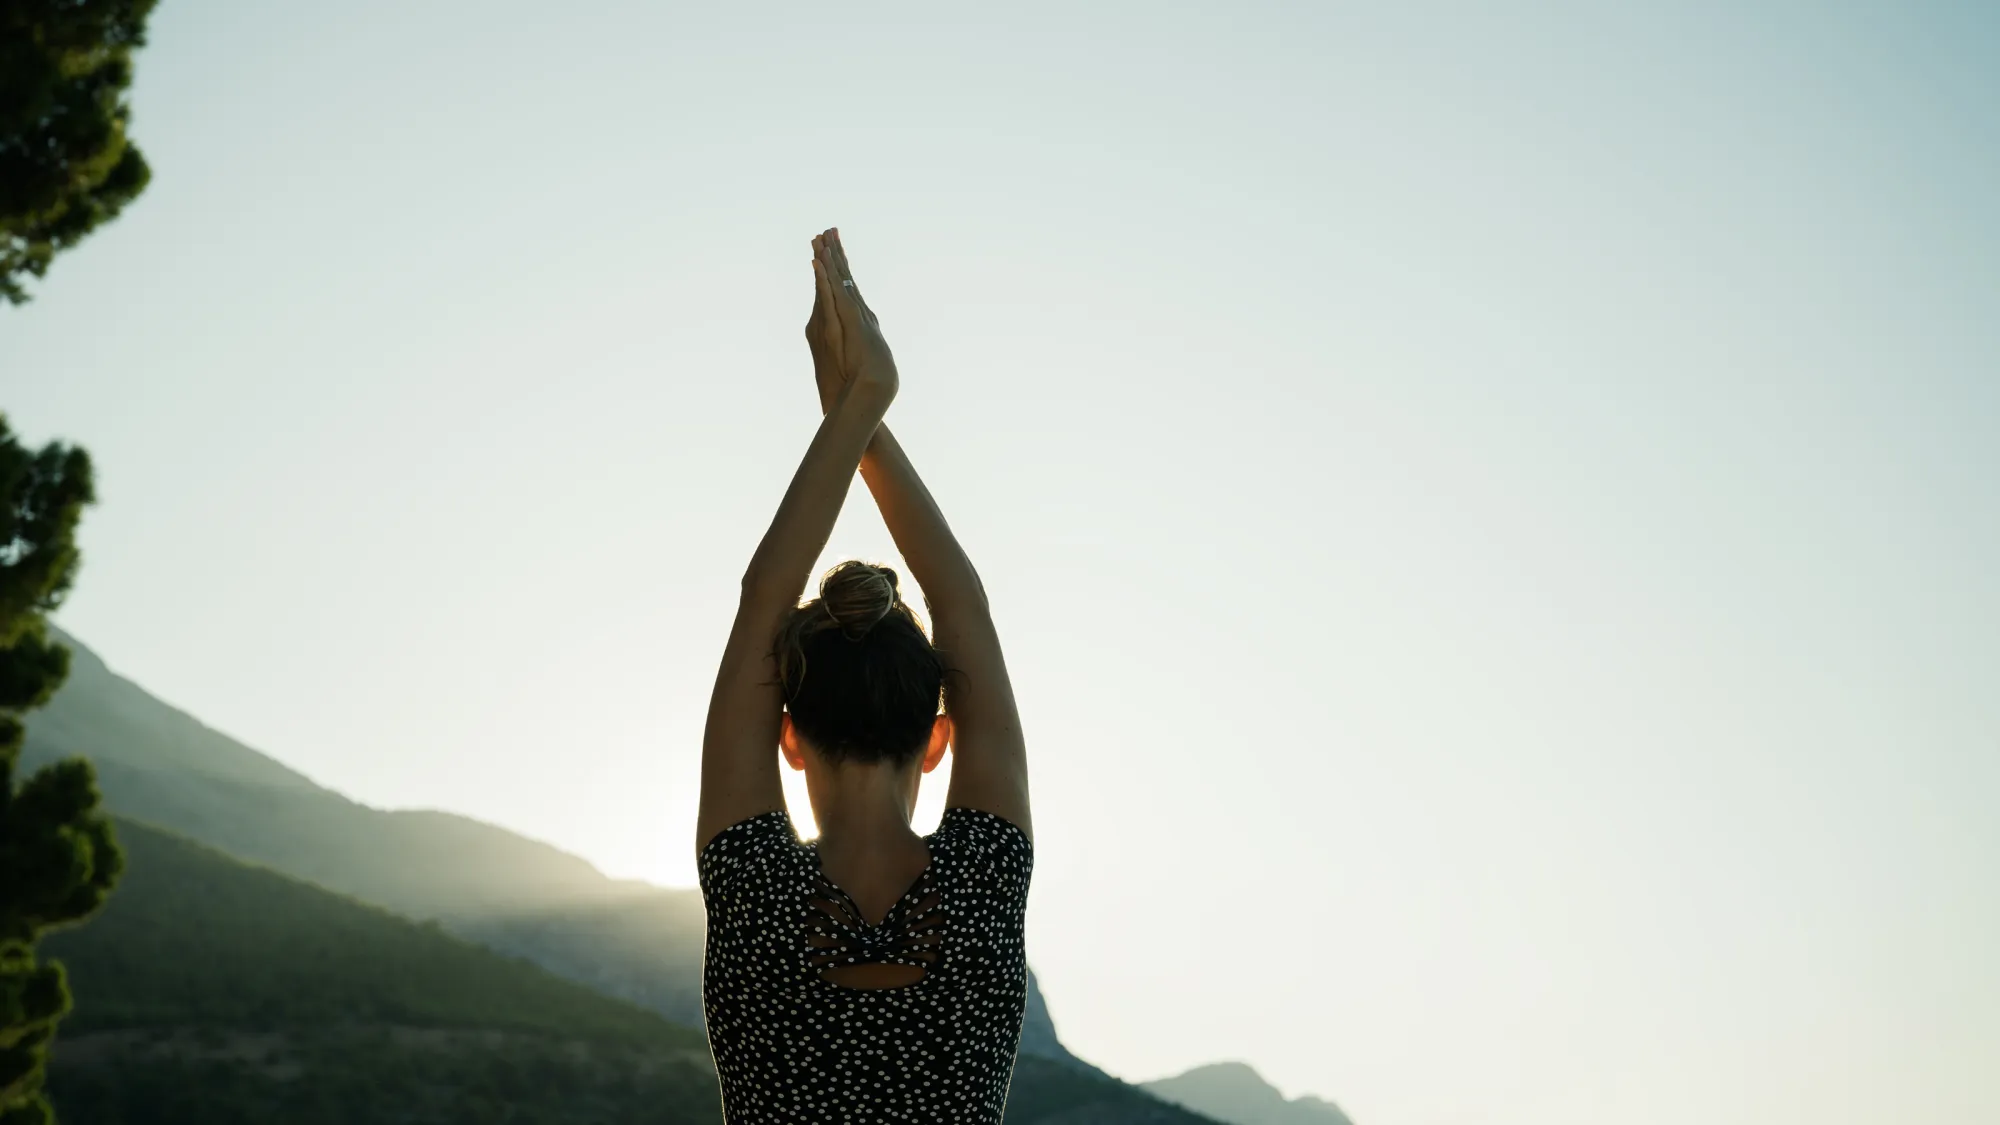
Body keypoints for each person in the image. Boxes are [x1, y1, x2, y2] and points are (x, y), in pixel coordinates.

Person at [694, 228, 1035, 1123]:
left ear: (787, 736)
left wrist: (855, 410)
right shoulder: (984, 883)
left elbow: (760, 600)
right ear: (938, 735)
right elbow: (964, 607)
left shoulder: (751, 886)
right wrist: (860, 418)